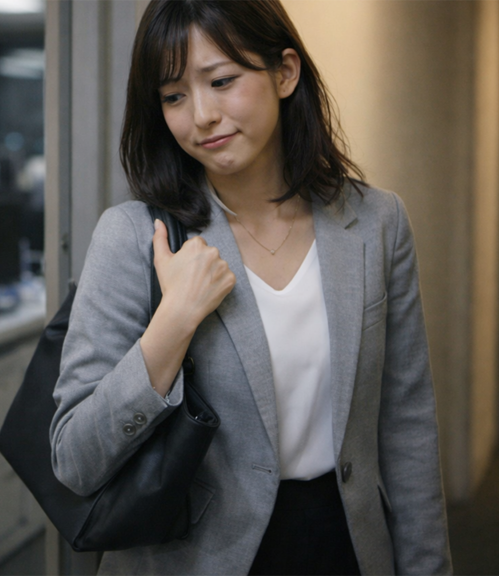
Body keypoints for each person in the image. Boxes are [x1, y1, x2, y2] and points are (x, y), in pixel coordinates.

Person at [49, 1, 452, 575]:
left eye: (221, 81)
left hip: (345, 546)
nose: (201, 116)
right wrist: (173, 323)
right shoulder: (136, 236)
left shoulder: (375, 222)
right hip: (193, 557)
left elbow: (406, 424)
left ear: (284, 72)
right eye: (173, 96)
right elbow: (74, 459)